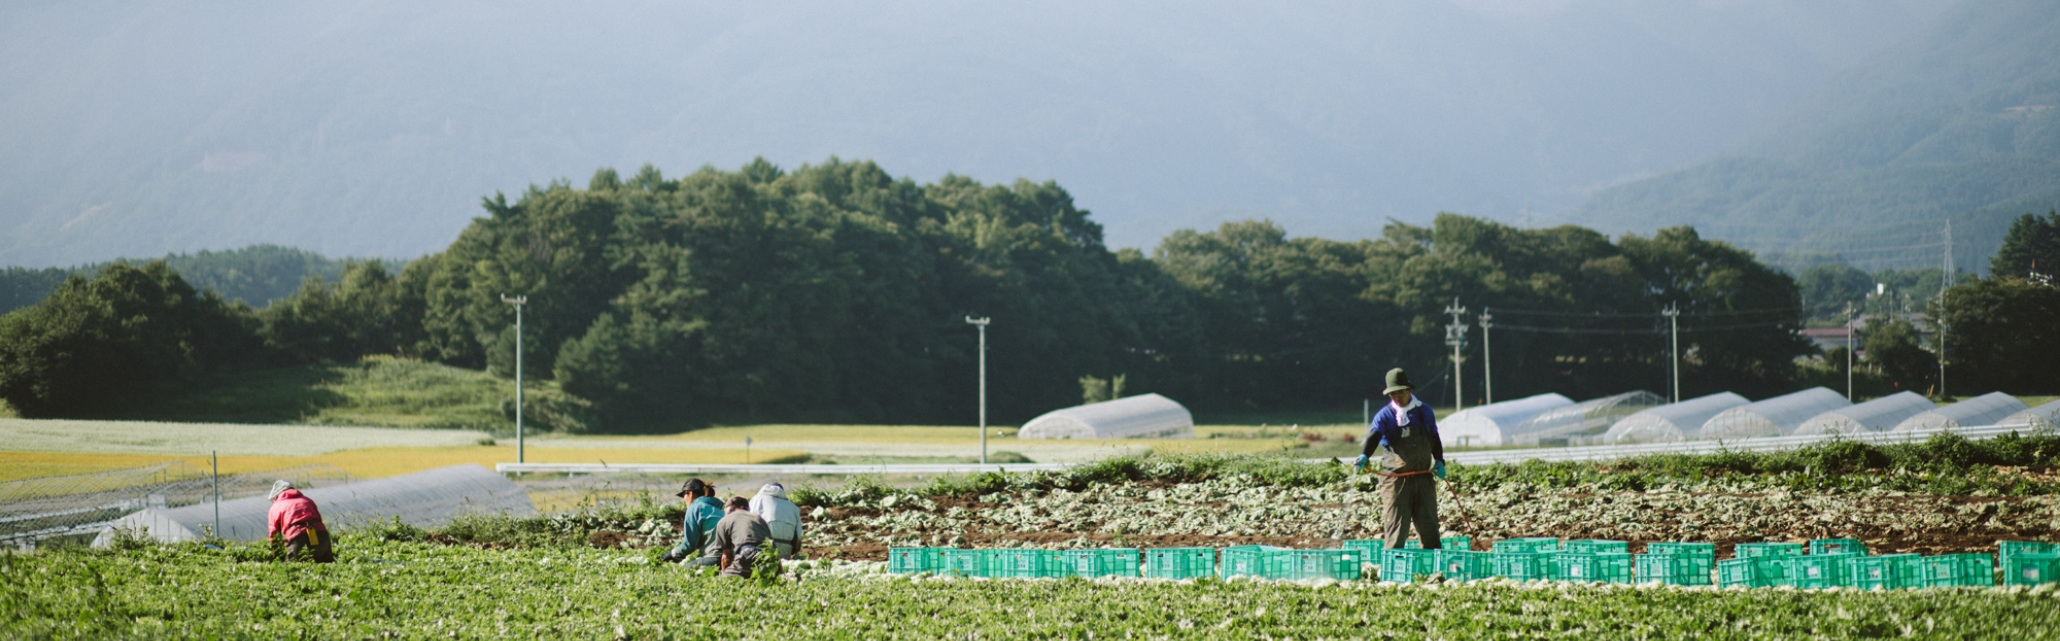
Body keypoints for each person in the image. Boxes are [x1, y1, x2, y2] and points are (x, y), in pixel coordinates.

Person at [1353, 368, 1447, 550]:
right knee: (1397, 527)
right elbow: (1374, 436)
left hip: (1422, 476)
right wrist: (1365, 454)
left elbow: (1434, 437)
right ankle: (1393, 570)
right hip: (1395, 480)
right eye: (1393, 394)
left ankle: (1434, 570)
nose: (1396, 397)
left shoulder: (1423, 411)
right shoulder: (1385, 415)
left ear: (1409, 390)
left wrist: (1440, 460)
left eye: (1400, 392)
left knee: (1429, 526)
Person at [661, 479, 726, 566]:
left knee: (686, 570)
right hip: (733, 556)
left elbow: (690, 545)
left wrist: (672, 554)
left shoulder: (694, 508)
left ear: (690, 493)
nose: (684, 499)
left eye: (683, 495)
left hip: (716, 558)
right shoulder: (720, 506)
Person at [266, 480, 334, 562]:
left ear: (275, 496)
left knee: (294, 568)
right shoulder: (307, 500)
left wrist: (277, 556)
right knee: (326, 566)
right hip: (320, 534)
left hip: (297, 537)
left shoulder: (275, 507)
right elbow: (319, 519)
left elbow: (274, 534)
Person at [710, 495, 777, 578]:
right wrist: (779, 574)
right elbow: (773, 550)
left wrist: (724, 576)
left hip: (746, 553)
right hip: (766, 557)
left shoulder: (724, 521)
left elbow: (726, 557)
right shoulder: (759, 519)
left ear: (728, 510)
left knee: (729, 579)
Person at [749, 482, 803, 559]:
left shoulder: (756, 499)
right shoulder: (793, 508)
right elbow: (798, 535)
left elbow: (748, 522)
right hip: (785, 547)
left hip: (762, 545)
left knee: (761, 568)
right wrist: (795, 550)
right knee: (782, 569)